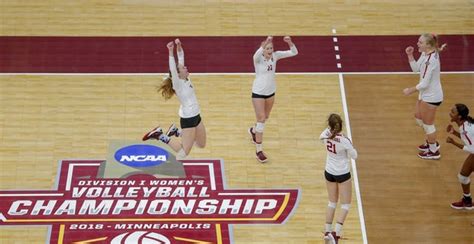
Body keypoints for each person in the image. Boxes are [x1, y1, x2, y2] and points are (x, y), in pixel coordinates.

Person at [142, 39, 206, 159]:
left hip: (196, 115)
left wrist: (179, 46)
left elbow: (181, 55)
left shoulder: (186, 78)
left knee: (201, 144)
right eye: (183, 68)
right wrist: (170, 52)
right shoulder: (178, 85)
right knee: (182, 154)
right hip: (188, 118)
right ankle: (161, 136)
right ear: (178, 74)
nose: (186, 68)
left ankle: (177, 132)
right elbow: (173, 69)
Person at [248, 36, 298, 163]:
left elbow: (294, 52)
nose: (270, 50)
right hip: (258, 93)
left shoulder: (275, 56)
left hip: (271, 93)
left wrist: (289, 42)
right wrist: (265, 42)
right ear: (263, 50)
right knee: (261, 119)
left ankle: (253, 131)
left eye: (271, 48)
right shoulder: (258, 59)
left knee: (266, 117)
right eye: (267, 48)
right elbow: (256, 54)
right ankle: (259, 150)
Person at [403, 33, 447, 160]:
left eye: (420, 42)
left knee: (428, 125)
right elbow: (415, 68)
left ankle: (433, 150)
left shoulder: (430, 61)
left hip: (432, 96)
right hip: (425, 94)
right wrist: (410, 55)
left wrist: (410, 90)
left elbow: (425, 83)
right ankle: (430, 138)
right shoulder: (425, 54)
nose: (417, 44)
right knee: (418, 118)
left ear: (428, 45)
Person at [319, 114, 357, 244]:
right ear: (341, 126)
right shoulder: (345, 140)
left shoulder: (325, 134)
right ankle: (336, 233)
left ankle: (327, 231)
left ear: (329, 125)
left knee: (332, 202)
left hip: (329, 171)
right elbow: (354, 156)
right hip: (342, 173)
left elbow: (322, 138)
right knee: (345, 204)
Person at [447, 104, 474, 210]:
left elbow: (472, 149)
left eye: (453, 112)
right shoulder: (465, 125)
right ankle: (467, 201)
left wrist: (453, 143)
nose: (450, 112)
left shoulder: (466, 129)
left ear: (459, 116)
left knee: (463, 176)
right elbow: (468, 140)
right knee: (463, 176)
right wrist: (454, 132)